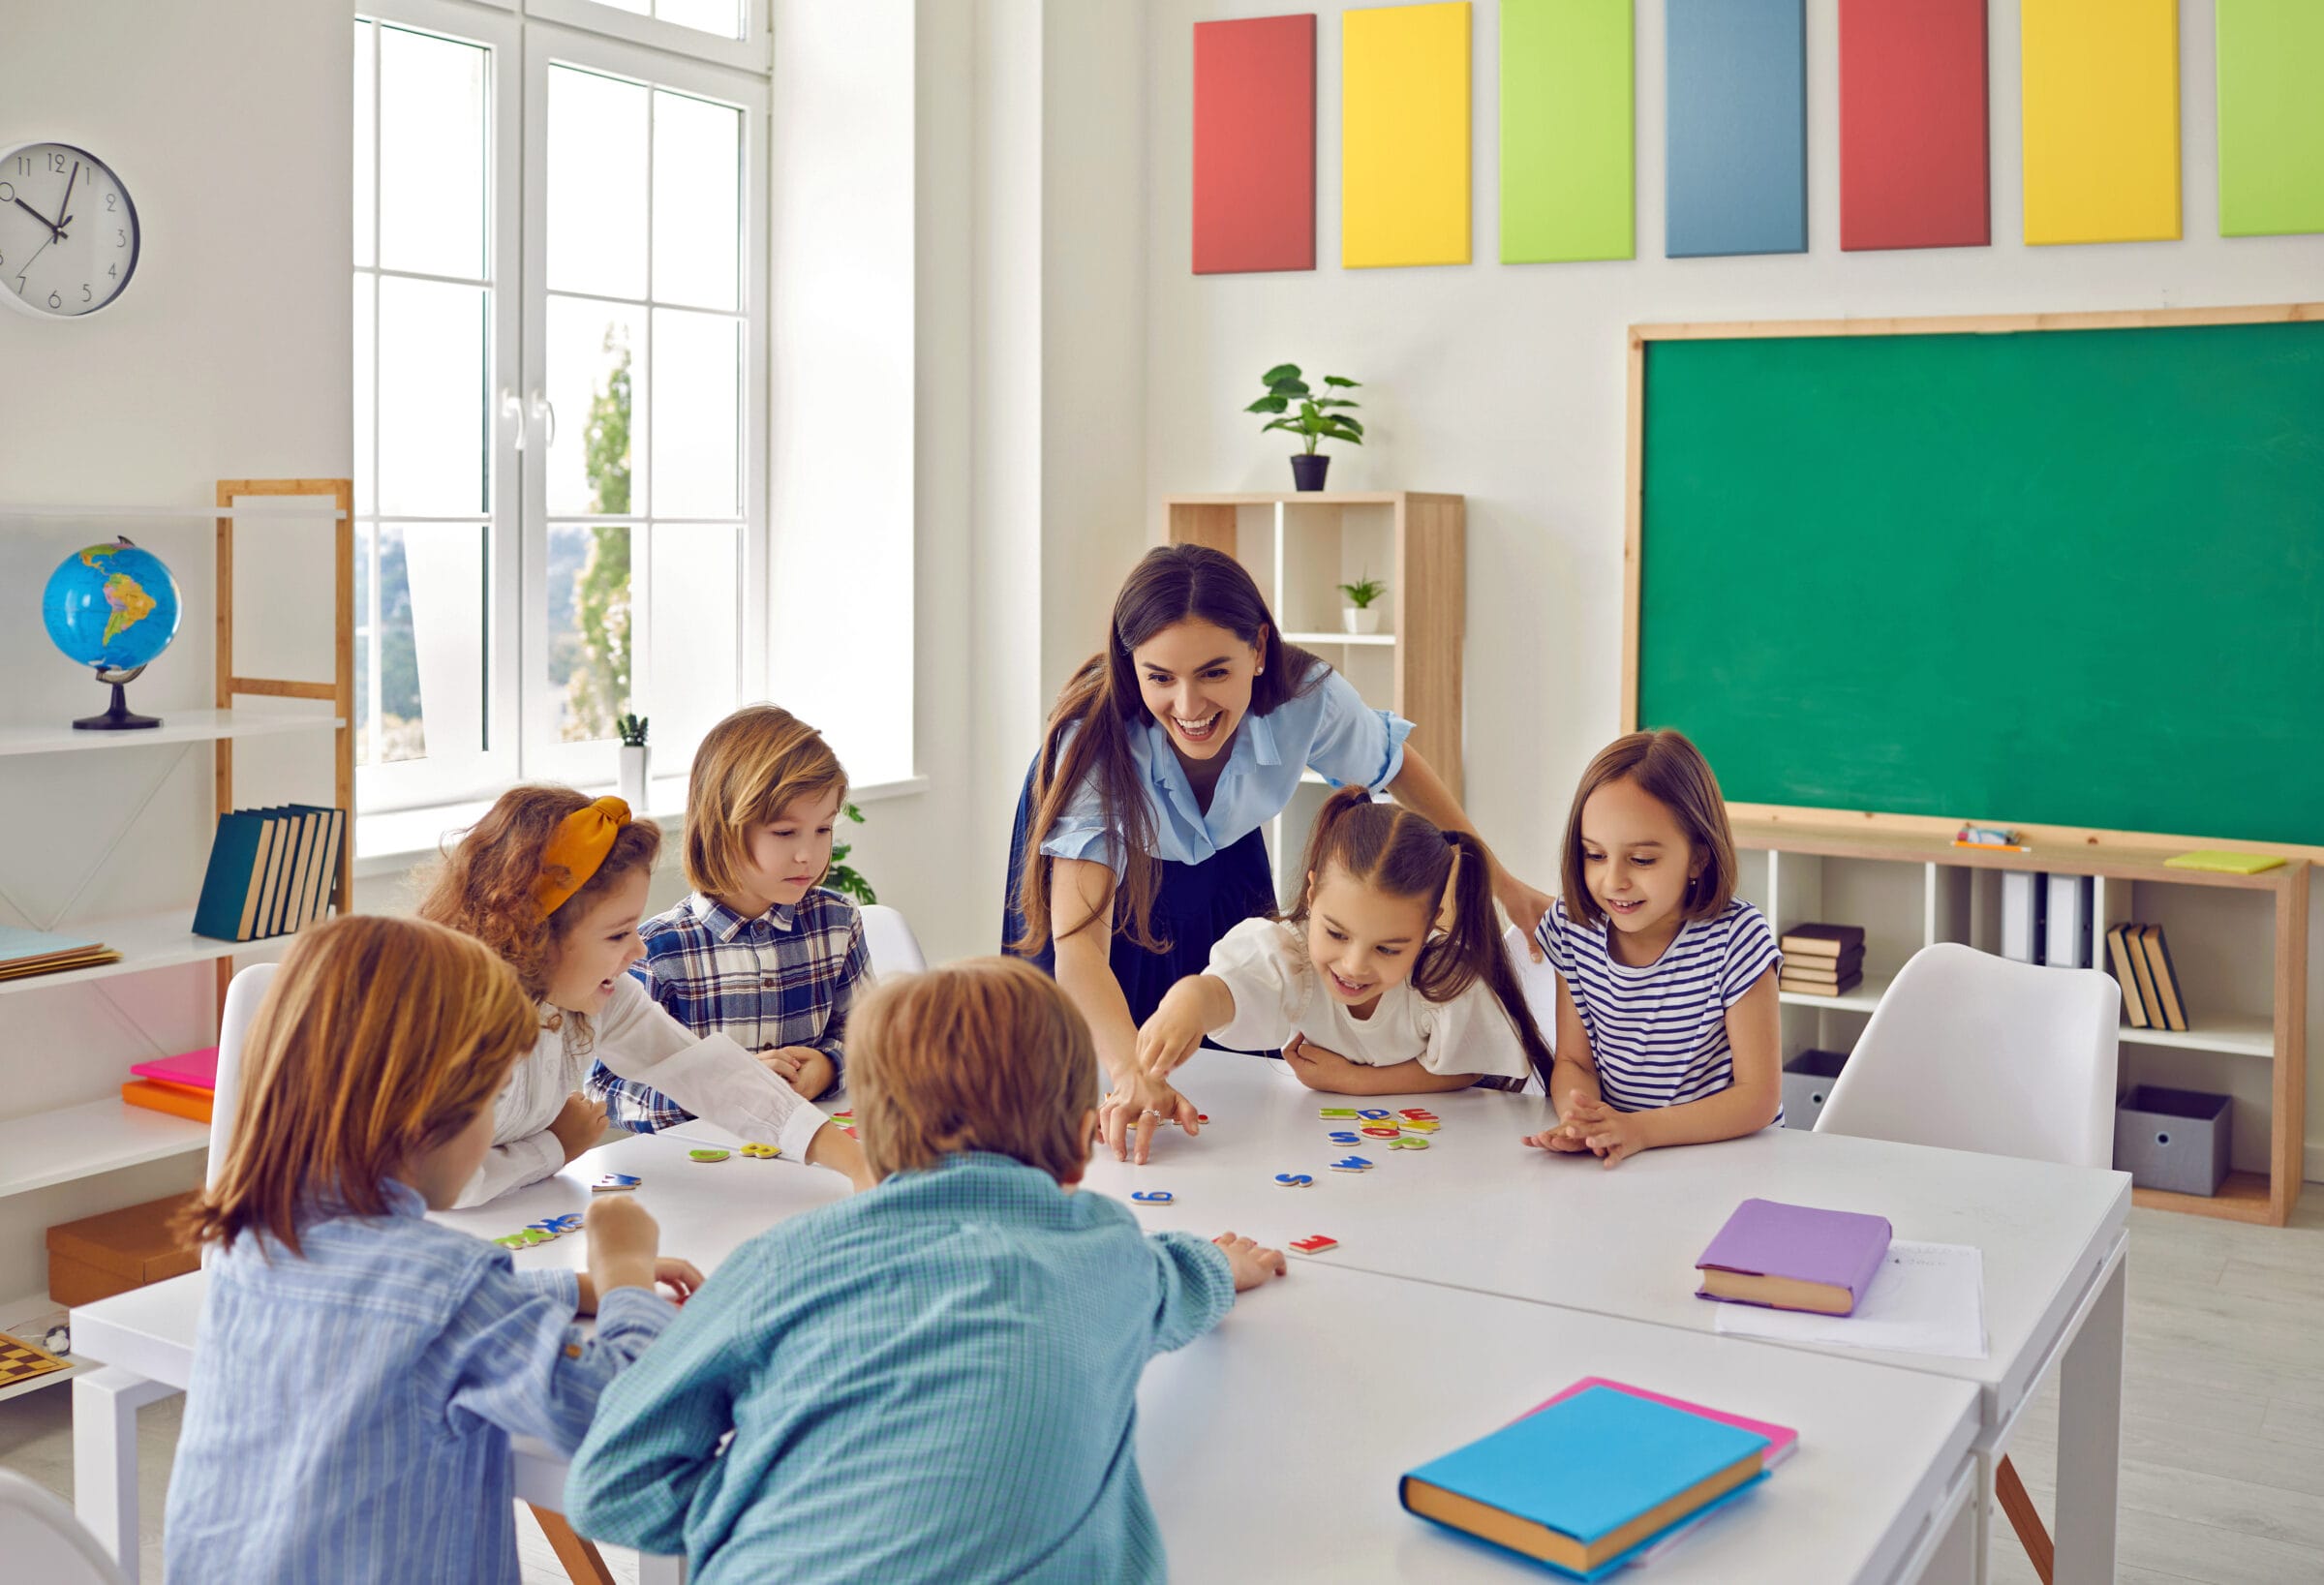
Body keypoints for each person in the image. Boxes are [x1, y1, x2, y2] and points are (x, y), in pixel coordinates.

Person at [565, 958, 1286, 1583]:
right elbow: (1179, 1280)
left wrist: (795, 1500)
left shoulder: (781, 1260)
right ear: (1078, 1145)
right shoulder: (1109, 1253)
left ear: (868, 1147)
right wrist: (1221, 1263)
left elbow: (613, 1484)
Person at [162, 914, 700, 1584]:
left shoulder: (255, 1240)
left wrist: (571, 1287)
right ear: (427, 1109)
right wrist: (623, 1273)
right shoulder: (451, 1288)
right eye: (492, 1097)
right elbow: (627, 1414)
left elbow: (391, 1316)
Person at [1007, 543, 1552, 1161]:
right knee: (1091, 1070)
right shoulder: (1096, 742)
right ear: (1131, 665)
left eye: (1215, 672)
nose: (1188, 708)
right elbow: (1078, 946)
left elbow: (1394, 765)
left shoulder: (1307, 696)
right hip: (1106, 880)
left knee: (1239, 1034)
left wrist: (1502, 882)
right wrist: (1130, 1069)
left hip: (1224, 848)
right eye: (1160, 677)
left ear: (1259, 651)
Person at [416, 786, 869, 1204]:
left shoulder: (600, 996)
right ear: (533, 938)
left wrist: (857, 1164)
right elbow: (442, 1185)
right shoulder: (460, 1026)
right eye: (617, 935)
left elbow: (713, 1076)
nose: (639, 949)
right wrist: (556, 1145)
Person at [1137, 787, 1550, 1095]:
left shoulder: (1442, 977)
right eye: (1336, 933)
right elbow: (1225, 993)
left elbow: (1466, 1069)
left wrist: (1356, 1081)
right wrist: (1189, 1001)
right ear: (1312, 895)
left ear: (1429, 929)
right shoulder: (1290, 955)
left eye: (1388, 949)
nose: (1353, 965)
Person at [590, 705, 868, 1128]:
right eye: (784, 832)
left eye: (823, 829)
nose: (807, 854)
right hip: (701, 1176)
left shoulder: (837, 922)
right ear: (723, 828)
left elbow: (871, 1041)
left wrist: (829, 1067)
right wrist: (718, 1089)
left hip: (810, 1158)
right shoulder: (658, 951)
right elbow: (606, 1091)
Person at [1520, 729, 1782, 1167]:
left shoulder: (1738, 939)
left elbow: (1758, 1097)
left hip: (1727, 1162)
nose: (1614, 880)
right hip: (1627, 1160)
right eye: (1595, 855)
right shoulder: (1574, 926)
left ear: (1699, 856)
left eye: (1642, 860)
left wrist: (1639, 1130)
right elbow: (1573, 1061)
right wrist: (1580, 1119)